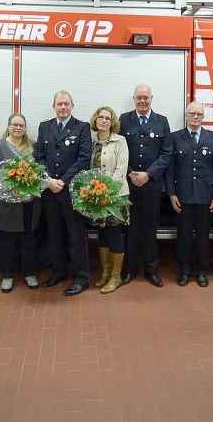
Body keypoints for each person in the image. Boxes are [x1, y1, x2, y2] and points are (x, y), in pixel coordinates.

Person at [34, 90, 92, 296]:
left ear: (72, 106)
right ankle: (58, 272)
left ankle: (81, 278)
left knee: (76, 236)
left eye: (66, 104)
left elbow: (84, 158)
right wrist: (48, 180)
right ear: (54, 106)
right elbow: (38, 155)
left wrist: (63, 181)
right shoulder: (45, 127)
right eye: (59, 104)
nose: (63, 107)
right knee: (54, 234)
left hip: (72, 192)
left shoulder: (82, 127)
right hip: (50, 191)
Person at [165, 101, 213, 287]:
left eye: (199, 114)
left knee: (203, 236)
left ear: (204, 117)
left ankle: (202, 272)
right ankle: (184, 271)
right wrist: (171, 193)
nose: (196, 117)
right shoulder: (175, 138)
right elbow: (170, 169)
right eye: (192, 114)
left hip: (206, 196)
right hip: (182, 196)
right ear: (186, 116)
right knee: (183, 236)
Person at [118, 84, 172, 287]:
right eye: (139, 97)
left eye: (146, 97)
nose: (142, 101)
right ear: (133, 99)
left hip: (151, 185)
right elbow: (118, 150)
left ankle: (151, 270)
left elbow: (166, 153)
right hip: (129, 183)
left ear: (151, 98)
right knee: (130, 228)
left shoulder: (162, 121)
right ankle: (129, 270)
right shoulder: (124, 119)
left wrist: (148, 174)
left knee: (150, 229)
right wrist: (131, 172)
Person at [0, 113, 42, 293]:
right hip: (6, 206)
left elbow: (42, 171)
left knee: (28, 240)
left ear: (25, 128)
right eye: (14, 124)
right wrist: (9, 190)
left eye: (21, 125)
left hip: (29, 204)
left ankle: (29, 273)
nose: (18, 128)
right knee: (7, 241)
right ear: (8, 126)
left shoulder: (32, 147)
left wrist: (33, 190)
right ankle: (8, 275)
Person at [89, 106, 130, 294]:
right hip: (96, 197)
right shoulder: (91, 142)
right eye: (100, 117)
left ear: (112, 121)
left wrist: (105, 192)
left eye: (107, 118)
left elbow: (121, 171)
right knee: (102, 233)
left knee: (114, 234)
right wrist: (94, 192)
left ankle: (116, 277)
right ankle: (105, 273)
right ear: (95, 120)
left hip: (115, 196)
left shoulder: (120, 141)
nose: (104, 120)